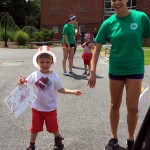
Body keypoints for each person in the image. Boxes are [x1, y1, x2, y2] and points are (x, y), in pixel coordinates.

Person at [88, 0, 150, 150]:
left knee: (133, 108)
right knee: (114, 104)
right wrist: (92, 71)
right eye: (113, 0)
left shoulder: (141, 17)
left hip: (135, 68)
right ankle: (114, 138)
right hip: (116, 68)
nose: (116, 2)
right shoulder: (108, 23)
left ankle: (131, 140)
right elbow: (97, 48)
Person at [18, 45, 82, 150]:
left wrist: (73, 91)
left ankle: (58, 141)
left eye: (47, 62)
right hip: (36, 108)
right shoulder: (34, 74)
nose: (44, 65)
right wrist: (21, 82)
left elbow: (61, 89)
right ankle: (31, 144)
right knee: (34, 128)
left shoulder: (54, 77)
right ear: (37, 62)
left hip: (50, 108)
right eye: (42, 62)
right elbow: (25, 83)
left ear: (52, 62)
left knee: (53, 127)